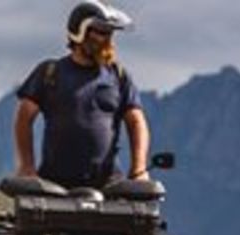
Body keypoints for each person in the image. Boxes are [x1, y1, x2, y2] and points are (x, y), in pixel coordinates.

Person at [13, 1, 150, 189]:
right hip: (53, 187)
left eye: (109, 33)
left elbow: (136, 122)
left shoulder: (119, 76)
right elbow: (24, 117)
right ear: (79, 32)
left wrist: (139, 171)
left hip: (109, 187)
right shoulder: (49, 72)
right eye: (100, 32)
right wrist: (27, 167)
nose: (107, 39)